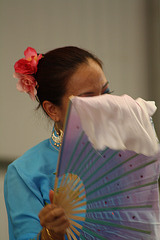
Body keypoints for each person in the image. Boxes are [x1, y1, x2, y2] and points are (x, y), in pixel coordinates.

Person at [4, 46, 110, 240]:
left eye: (106, 92)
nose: (104, 106)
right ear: (53, 110)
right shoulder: (25, 173)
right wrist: (51, 234)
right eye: (88, 99)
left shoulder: (126, 156)